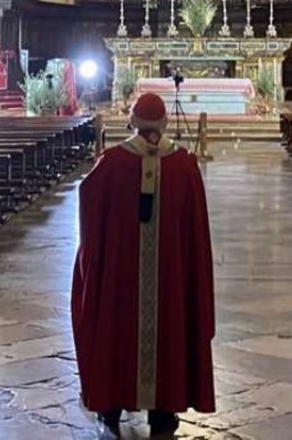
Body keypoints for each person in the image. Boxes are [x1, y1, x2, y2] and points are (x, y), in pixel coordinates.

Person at [71, 93, 215, 437]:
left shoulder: (111, 164)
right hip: (171, 278)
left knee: (116, 325)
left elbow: (88, 208)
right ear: (165, 123)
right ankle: (164, 412)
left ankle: (111, 406)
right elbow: (197, 235)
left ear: (132, 121)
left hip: (121, 279)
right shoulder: (185, 166)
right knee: (169, 323)